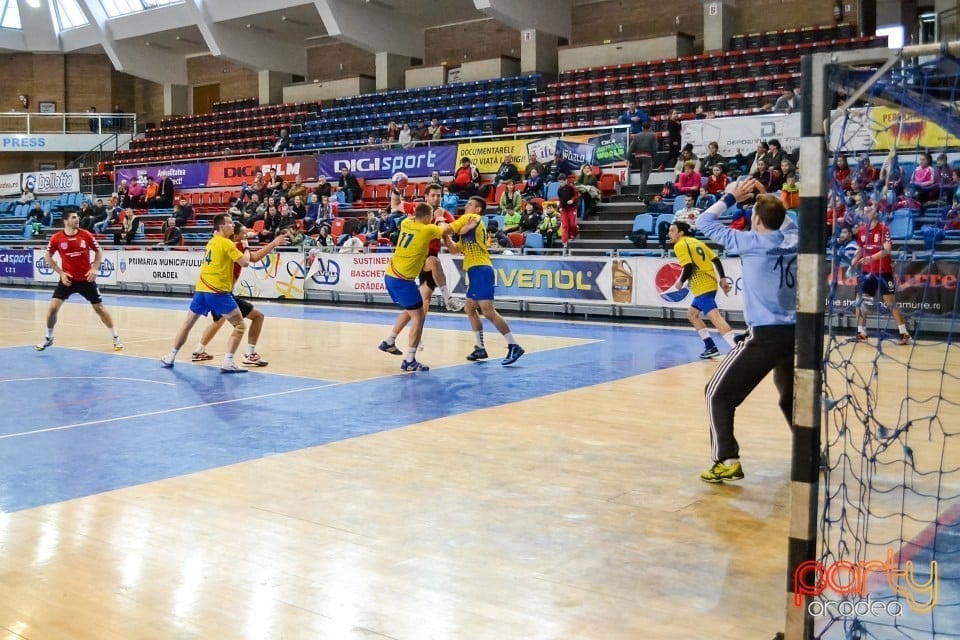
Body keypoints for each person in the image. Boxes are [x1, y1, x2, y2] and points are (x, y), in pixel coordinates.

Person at [695, 180, 798, 483]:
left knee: (716, 393)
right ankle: (810, 451)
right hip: (798, 335)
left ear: (754, 220)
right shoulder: (795, 239)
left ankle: (727, 459)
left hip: (766, 335)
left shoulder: (749, 242)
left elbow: (703, 221)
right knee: (791, 399)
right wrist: (769, 199)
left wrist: (730, 197)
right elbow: (783, 222)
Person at [160, 213, 288, 373]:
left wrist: (248, 239)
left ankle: (172, 356)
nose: (232, 225)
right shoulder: (228, 244)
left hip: (202, 288)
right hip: (218, 291)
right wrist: (257, 244)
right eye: (229, 223)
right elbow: (247, 261)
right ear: (222, 227)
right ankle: (229, 361)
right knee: (240, 326)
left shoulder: (212, 242)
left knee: (190, 323)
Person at [378, 184, 463, 358]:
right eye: (433, 195)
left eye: (439, 195)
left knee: (421, 302)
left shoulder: (442, 215)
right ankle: (446, 301)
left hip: (424, 259)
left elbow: (450, 238)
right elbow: (396, 205)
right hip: (415, 259)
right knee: (416, 307)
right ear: (426, 197)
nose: (436, 198)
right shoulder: (422, 213)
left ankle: (393, 339)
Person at [444, 195, 525, 366]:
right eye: (466, 203)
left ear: (478, 209)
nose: (466, 206)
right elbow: (453, 249)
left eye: (470, 204)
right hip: (475, 270)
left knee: (488, 311)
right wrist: (450, 236)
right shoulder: (468, 228)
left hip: (481, 269)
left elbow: (448, 228)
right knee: (470, 308)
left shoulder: (472, 218)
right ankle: (480, 347)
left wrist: (439, 219)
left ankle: (513, 344)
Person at [190, 222, 276, 367]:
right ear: (235, 235)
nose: (245, 236)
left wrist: (251, 234)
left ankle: (198, 351)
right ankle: (250, 354)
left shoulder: (227, 243)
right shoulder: (233, 247)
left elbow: (245, 235)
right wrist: (273, 243)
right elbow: (252, 258)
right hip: (223, 293)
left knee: (218, 320)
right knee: (258, 316)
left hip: (214, 290)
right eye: (243, 234)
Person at [35, 211, 123, 352]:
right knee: (52, 309)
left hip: (86, 279)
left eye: (78, 217)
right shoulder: (57, 238)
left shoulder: (85, 235)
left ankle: (115, 337)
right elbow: (48, 257)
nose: (78, 220)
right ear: (66, 220)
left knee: (99, 309)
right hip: (68, 280)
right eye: (74, 218)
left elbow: (99, 251)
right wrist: (61, 272)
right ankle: (48, 337)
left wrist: (94, 268)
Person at [668, 221, 736, 359]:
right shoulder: (696, 242)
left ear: (681, 232)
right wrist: (722, 278)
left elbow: (688, 266)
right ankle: (710, 346)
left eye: (672, 230)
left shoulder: (680, 245)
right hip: (710, 282)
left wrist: (680, 282)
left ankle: (736, 348)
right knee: (692, 314)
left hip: (702, 285)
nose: (669, 233)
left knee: (715, 317)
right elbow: (716, 259)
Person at [851, 201, 910, 345]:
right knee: (860, 301)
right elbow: (861, 249)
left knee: (890, 302)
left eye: (869, 211)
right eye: (865, 212)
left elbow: (887, 249)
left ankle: (904, 333)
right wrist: (854, 261)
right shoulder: (862, 230)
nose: (866, 214)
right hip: (867, 272)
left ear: (876, 213)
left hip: (883, 272)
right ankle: (861, 332)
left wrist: (870, 258)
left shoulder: (884, 228)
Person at [628, 120, 658, 202]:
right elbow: (654, 148)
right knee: (644, 177)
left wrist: (628, 158)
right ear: (650, 127)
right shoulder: (653, 135)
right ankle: (640, 196)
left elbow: (631, 148)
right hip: (647, 157)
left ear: (642, 128)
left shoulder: (637, 136)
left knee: (642, 175)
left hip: (637, 157)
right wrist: (654, 159)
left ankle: (642, 191)